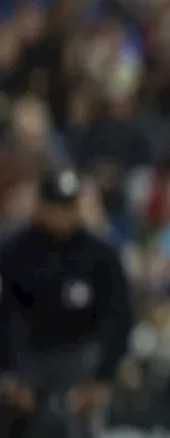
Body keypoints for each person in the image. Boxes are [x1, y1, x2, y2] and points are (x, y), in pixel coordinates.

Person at [0, 169, 134, 438]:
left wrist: (100, 378)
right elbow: (5, 314)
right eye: (56, 206)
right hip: (28, 357)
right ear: (41, 206)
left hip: (80, 358)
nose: (62, 215)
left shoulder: (100, 255)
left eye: (68, 206)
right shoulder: (14, 251)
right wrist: (10, 374)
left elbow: (118, 318)